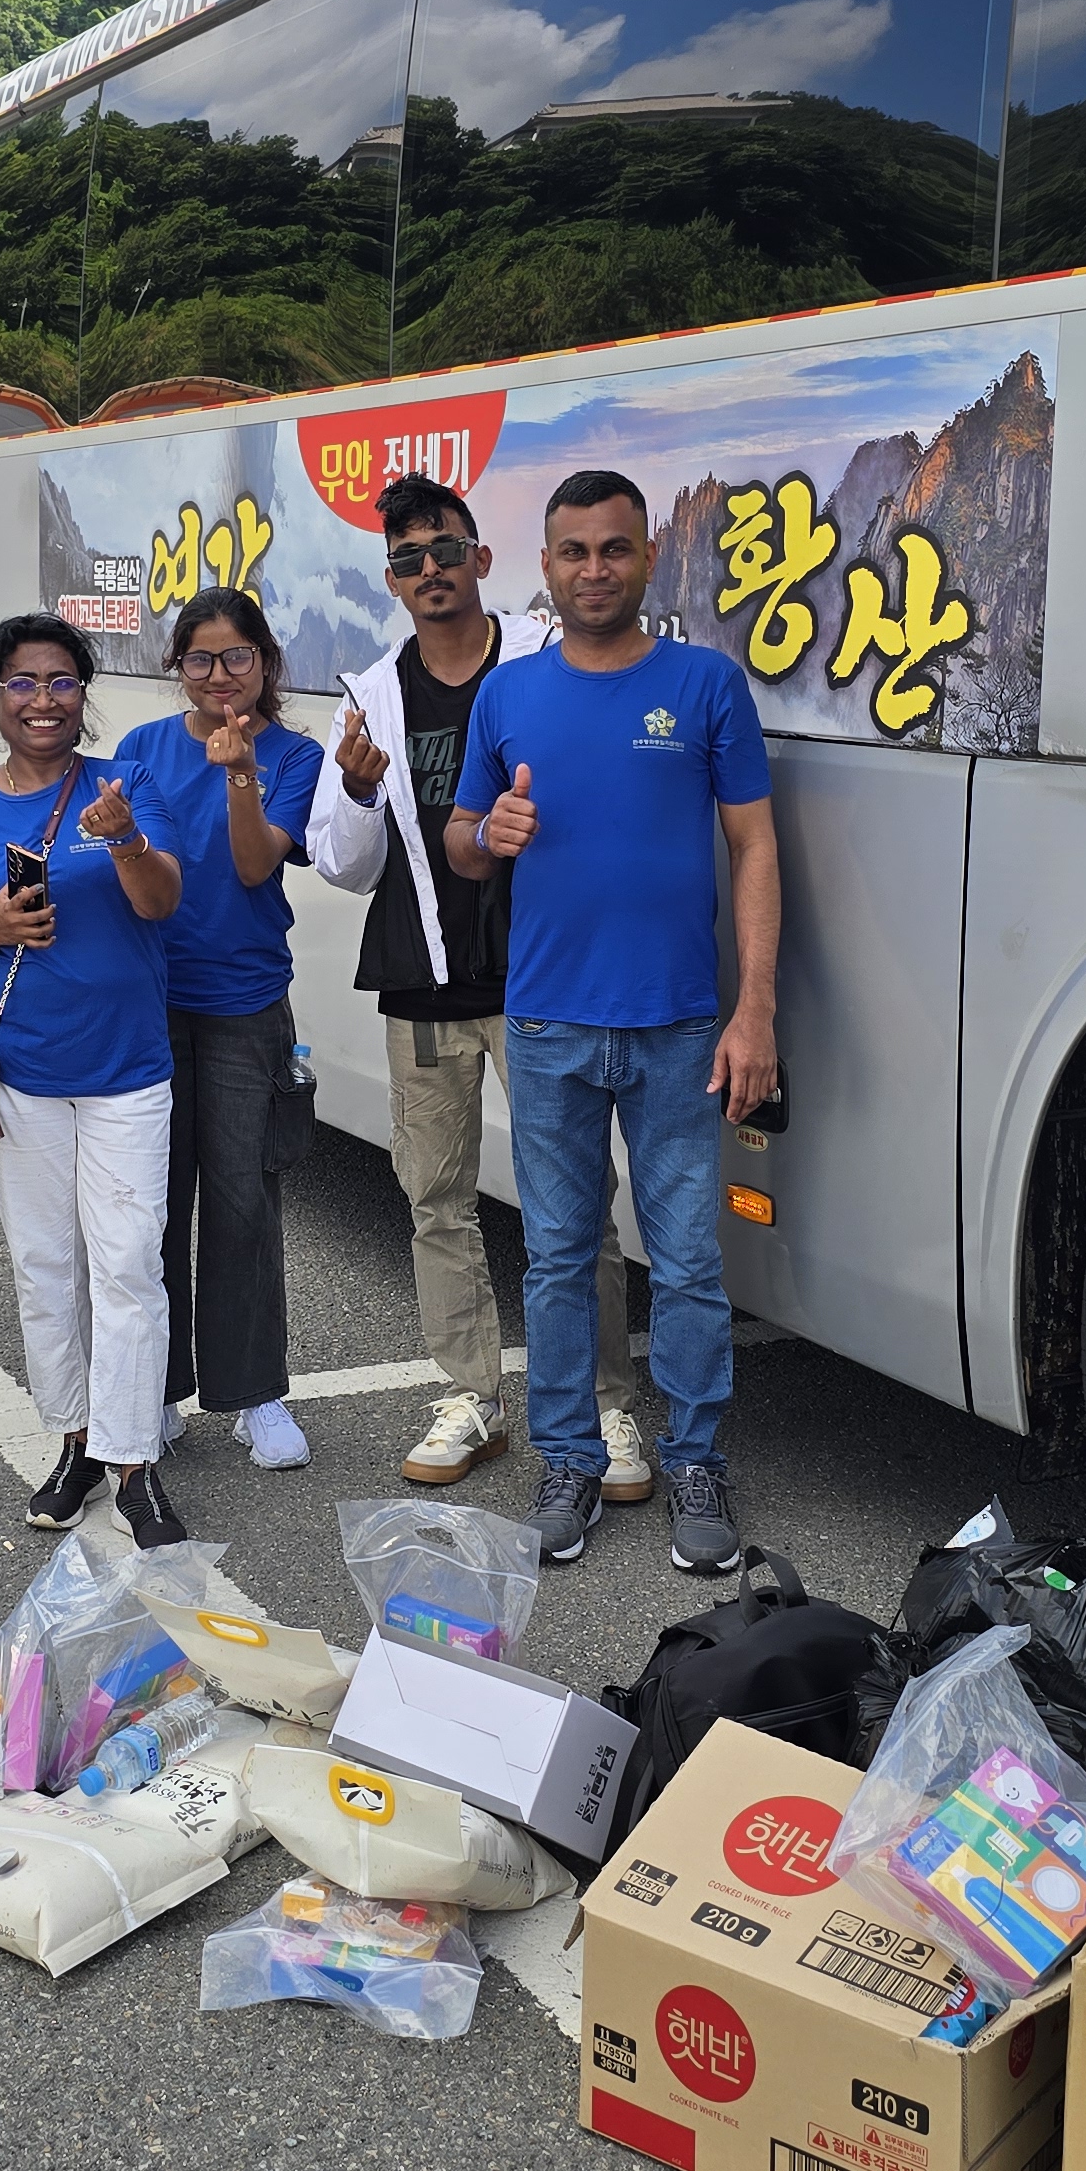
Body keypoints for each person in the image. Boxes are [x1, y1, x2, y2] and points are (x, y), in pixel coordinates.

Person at [445, 470, 781, 1574]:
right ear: (545, 566)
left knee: (685, 1260)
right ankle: (568, 1460)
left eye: (615, 549)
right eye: (574, 552)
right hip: (547, 1025)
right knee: (555, 1257)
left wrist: (755, 1010)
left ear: (650, 557)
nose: (595, 569)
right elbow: (460, 842)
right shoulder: (507, 695)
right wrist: (488, 833)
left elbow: (754, 848)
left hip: (680, 1025)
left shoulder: (705, 684)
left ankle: (695, 1461)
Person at [308, 475, 647, 1493]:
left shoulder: (546, 660)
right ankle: (471, 1398)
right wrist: (358, 791)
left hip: (540, 981)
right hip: (423, 982)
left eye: (446, 551)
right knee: (436, 1201)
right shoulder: (371, 694)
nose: (430, 572)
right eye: (408, 560)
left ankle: (606, 1405)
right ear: (391, 580)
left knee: (574, 1205)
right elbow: (342, 864)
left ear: (482, 560)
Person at [0, 615, 195, 1546]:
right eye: (22, 683)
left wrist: (127, 840)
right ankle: (74, 1443)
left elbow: (163, 902)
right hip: (18, 1074)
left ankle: (134, 1461)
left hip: (127, 1071)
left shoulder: (123, 785)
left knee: (129, 1266)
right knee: (46, 1267)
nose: (43, 701)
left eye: (62, 682)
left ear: (84, 693)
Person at [111, 586, 324, 1474]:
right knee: (151, 1203)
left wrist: (241, 773)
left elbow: (251, 865)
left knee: (243, 1202)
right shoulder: (142, 749)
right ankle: (155, 1389)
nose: (220, 675)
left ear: (266, 663)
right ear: (178, 666)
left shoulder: (296, 756)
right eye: (200, 658)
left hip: (245, 1003)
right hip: (151, 1002)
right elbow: (138, 873)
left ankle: (252, 1394)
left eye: (238, 656)